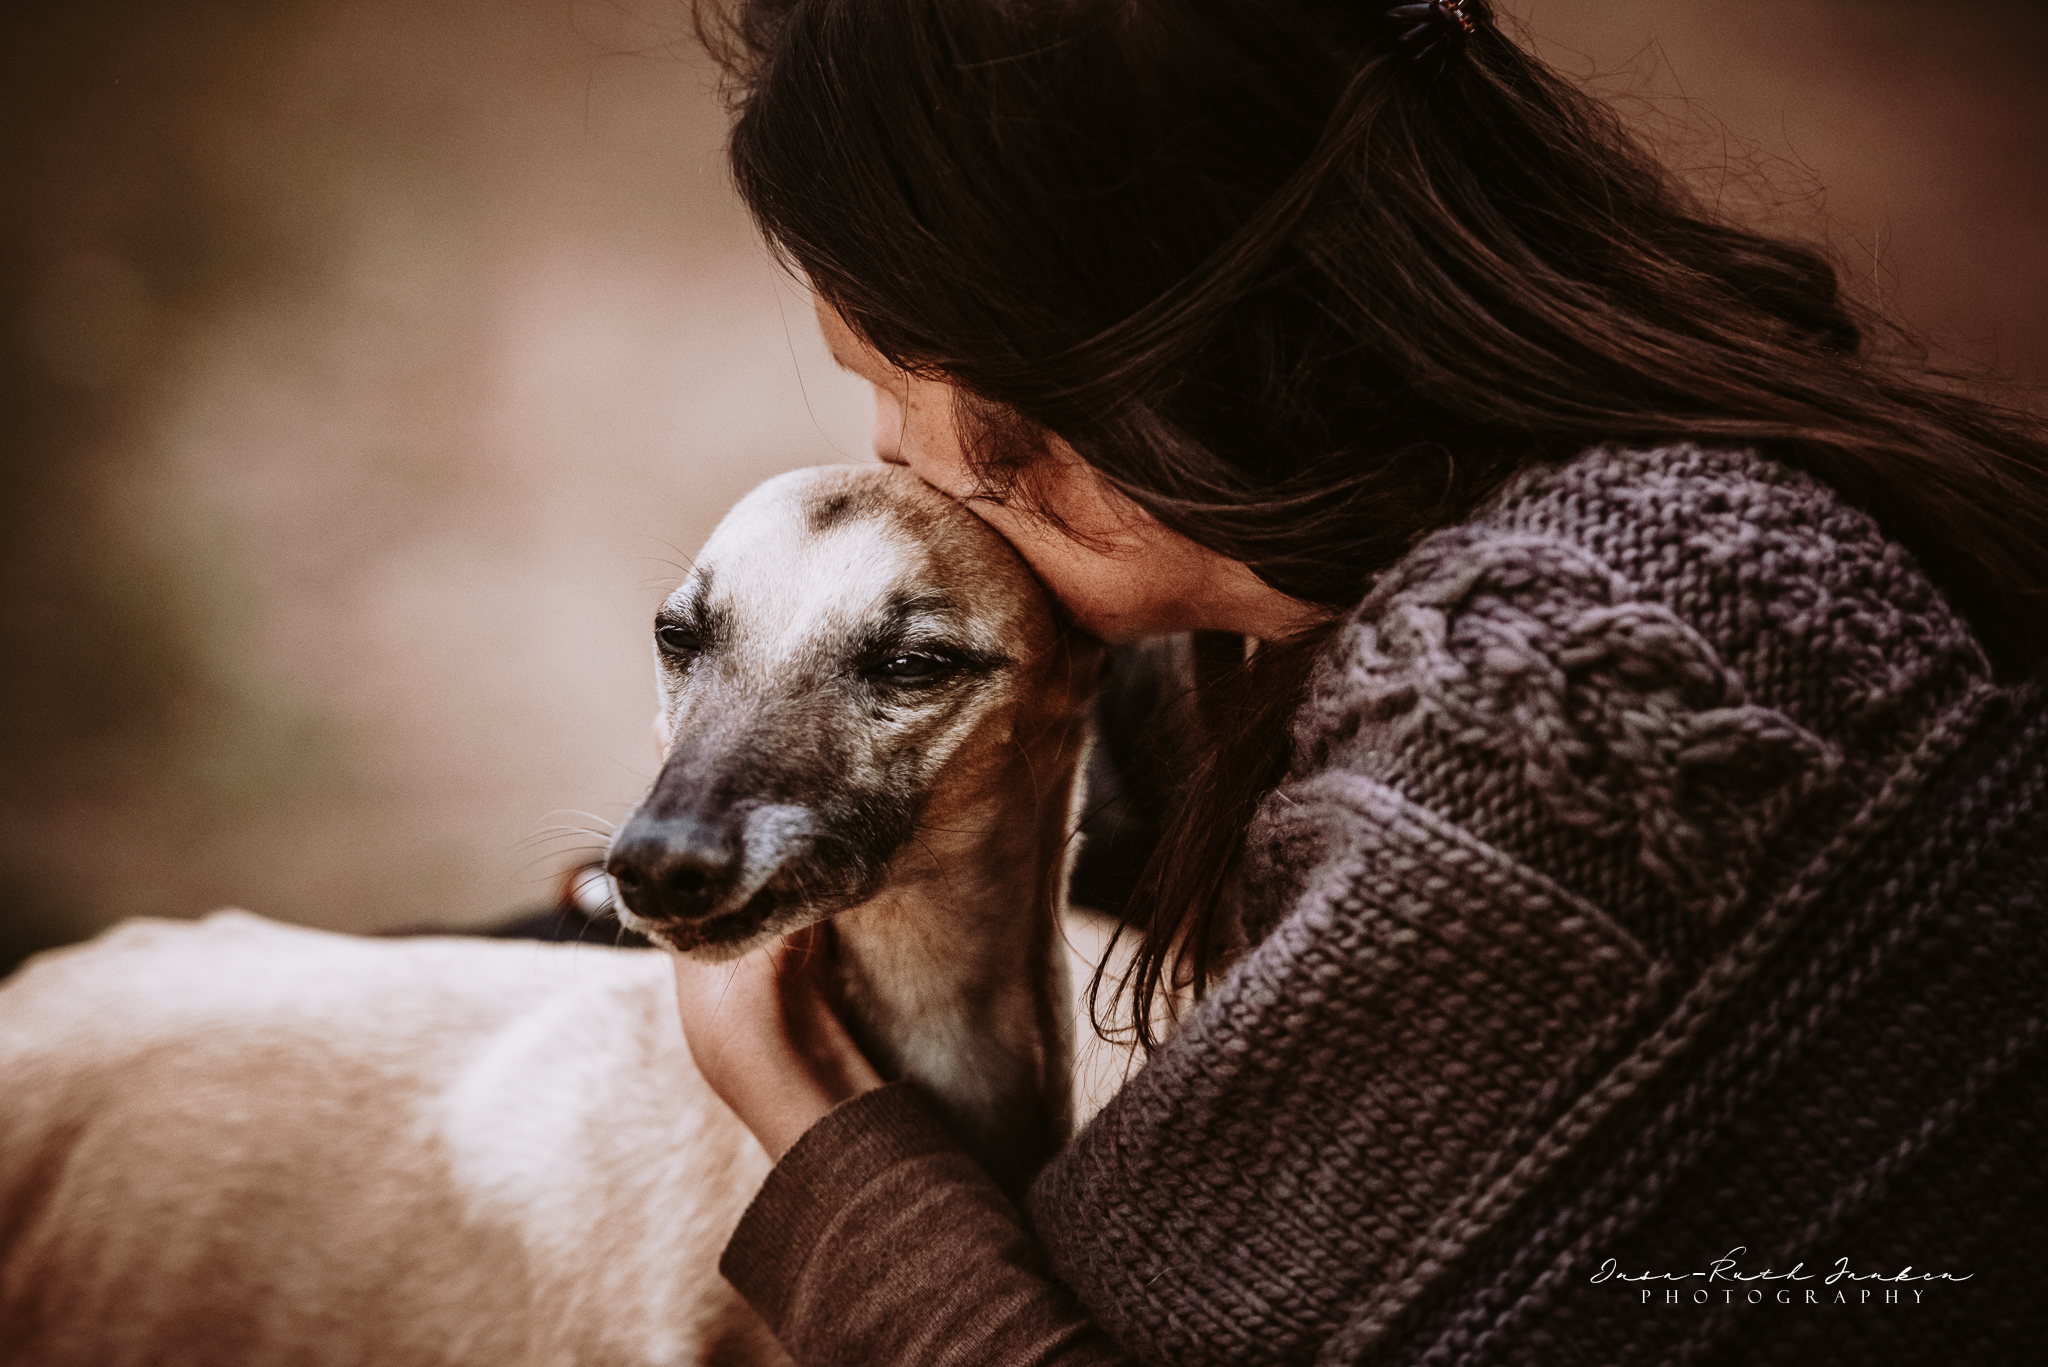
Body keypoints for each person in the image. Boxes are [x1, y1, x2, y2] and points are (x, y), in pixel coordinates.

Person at [670, 1, 2048, 1362]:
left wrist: (807, 1115)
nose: (890, 455)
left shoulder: (1556, 702)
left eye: (893, 385)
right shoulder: (1398, 595)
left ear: (1102, 350)